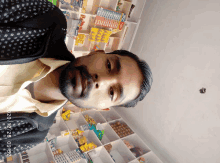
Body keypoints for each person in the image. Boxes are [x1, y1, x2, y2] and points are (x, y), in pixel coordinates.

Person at [0, 0, 153, 160]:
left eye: (112, 92)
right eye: (109, 65)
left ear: (102, 108)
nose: (100, 80)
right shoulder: (46, 21)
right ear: (97, 52)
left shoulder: (32, 134)